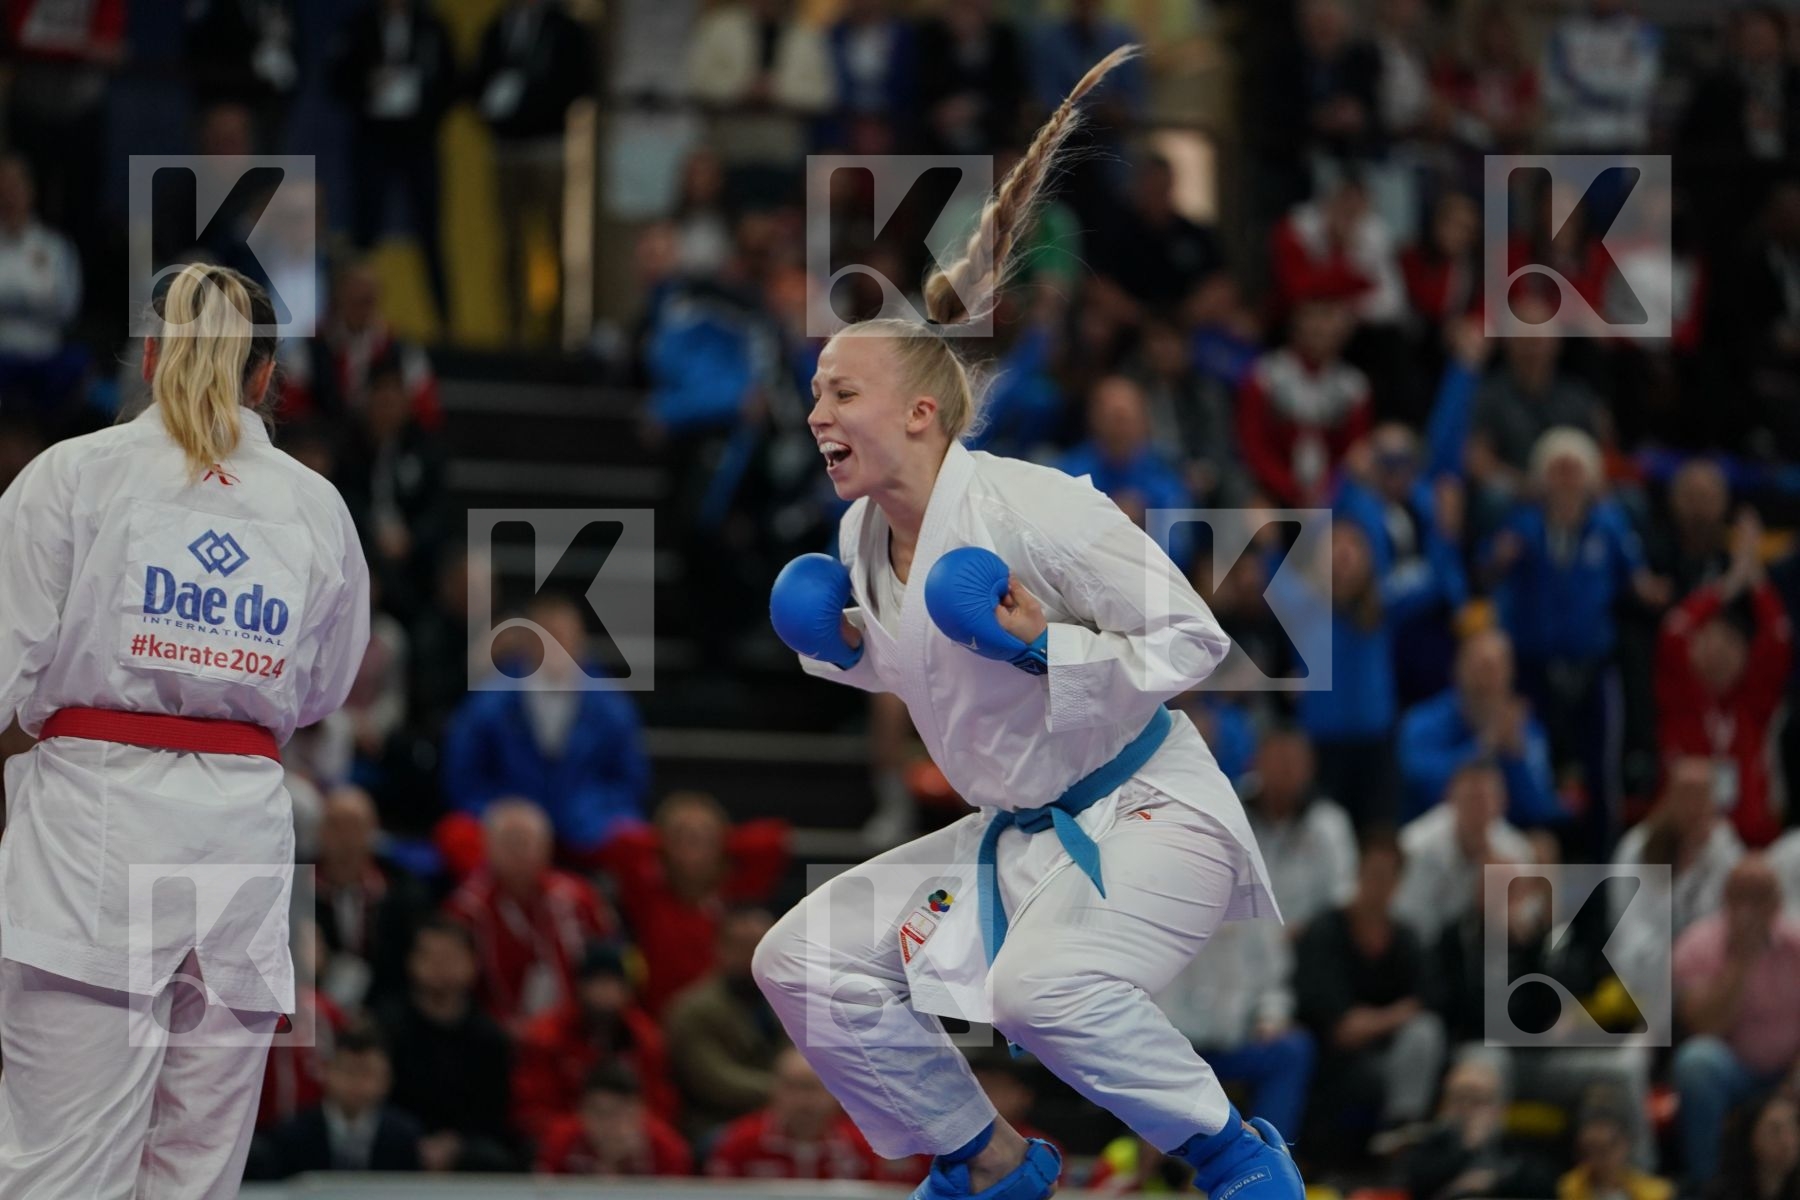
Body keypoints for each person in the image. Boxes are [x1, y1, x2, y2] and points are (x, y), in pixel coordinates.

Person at [755, 44, 1301, 1200]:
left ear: (916, 410)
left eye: (838, 392)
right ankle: (992, 1164)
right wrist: (846, 654)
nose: (816, 414)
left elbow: (1197, 641)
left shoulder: (1034, 507)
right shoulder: (863, 545)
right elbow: (933, 677)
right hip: (1017, 837)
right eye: (813, 393)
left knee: (1037, 991)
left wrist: (1041, 641)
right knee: (800, 959)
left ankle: (1235, 1157)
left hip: (1150, 812)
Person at [0, 263, 371, 1197]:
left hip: (95, 831)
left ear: (153, 357)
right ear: (264, 378)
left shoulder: (72, 475)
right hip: (239, 838)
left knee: (64, 1166)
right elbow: (325, 688)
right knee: (197, 1173)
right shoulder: (314, 504)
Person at [1672, 855, 1800, 1186]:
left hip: (1790, 1068)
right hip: (1733, 1069)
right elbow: (1702, 1025)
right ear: (1725, 898)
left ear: (1777, 902)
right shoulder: (1697, 944)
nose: (1750, 908)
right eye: (1742, 896)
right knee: (1696, 1062)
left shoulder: (1796, 944)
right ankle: (1709, 1186)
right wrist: (1742, 961)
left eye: (1760, 897)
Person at [663, 907, 784, 1143]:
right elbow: (714, 1080)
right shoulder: (693, 1010)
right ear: (721, 949)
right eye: (744, 946)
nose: (754, 956)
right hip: (719, 1121)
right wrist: (790, 1090)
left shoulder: (789, 1000)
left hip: (787, 1118)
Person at [249, 1023, 424, 1177]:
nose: (357, 1083)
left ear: (387, 1079)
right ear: (326, 1072)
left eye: (367, 1073)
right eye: (348, 1071)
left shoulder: (404, 1136)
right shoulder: (292, 1135)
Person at [535, 1063, 693, 1177]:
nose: (609, 1123)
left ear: (639, 1111)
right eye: (599, 1112)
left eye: (618, 1112)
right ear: (582, 1111)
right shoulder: (560, 1140)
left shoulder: (668, 1148)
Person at [1705, 1089, 1800, 1200]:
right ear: (1749, 1138)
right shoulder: (1721, 1193)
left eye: (1793, 1127)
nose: (1789, 1141)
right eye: (1774, 1131)